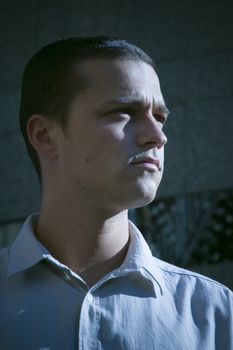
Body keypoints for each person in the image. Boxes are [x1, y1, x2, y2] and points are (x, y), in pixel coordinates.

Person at [0, 36, 232, 350]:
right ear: (45, 135)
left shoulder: (217, 316)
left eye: (160, 117)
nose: (157, 136)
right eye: (123, 112)